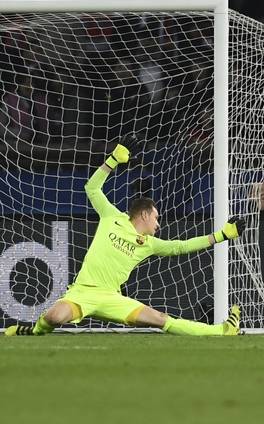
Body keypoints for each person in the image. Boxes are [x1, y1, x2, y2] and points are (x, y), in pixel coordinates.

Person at [5, 136, 245, 336]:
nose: (158, 223)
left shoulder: (149, 244)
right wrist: (111, 161)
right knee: (54, 316)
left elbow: (182, 246)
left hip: (112, 298)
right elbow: (91, 188)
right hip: (83, 292)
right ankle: (34, 332)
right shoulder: (112, 217)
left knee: (161, 319)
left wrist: (222, 235)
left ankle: (224, 330)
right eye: (156, 217)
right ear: (143, 215)